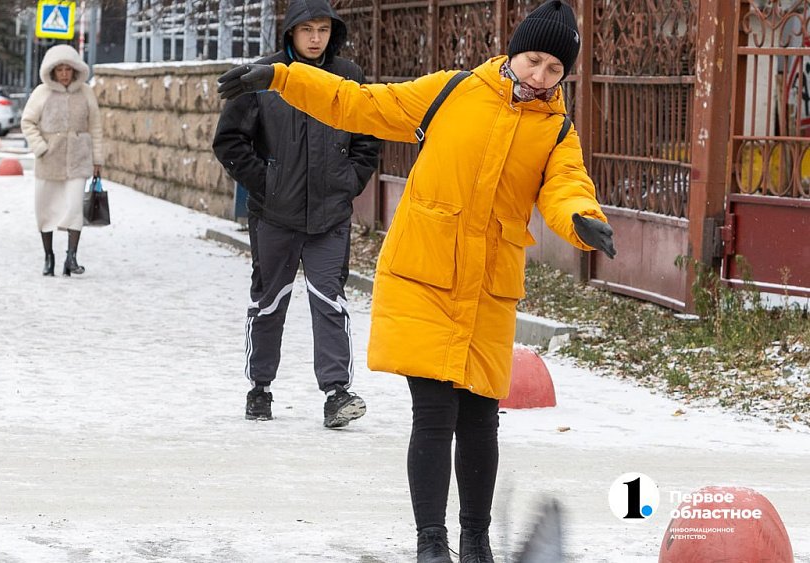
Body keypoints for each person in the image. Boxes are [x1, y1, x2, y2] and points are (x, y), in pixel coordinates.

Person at [217, 1, 616, 561]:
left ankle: (477, 540)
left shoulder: (558, 131)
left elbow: (565, 186)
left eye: (555, 70)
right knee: (433, 413)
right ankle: (433, 542)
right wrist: (282, 76)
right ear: (512, 52)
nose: (540, 78)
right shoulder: (452, 91)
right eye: (533, 61)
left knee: (480, 418)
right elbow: (358, 103)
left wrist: (581, 219)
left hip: (487, 288)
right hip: (424, 275)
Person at [212, 0, 380, 429]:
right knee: (270, 303)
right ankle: (260, 386)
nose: (315, 38)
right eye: (307, 30)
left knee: (330, 299)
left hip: (329, 214)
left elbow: (369, 136)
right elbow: (229, 141)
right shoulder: (261, 78)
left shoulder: (349, 77)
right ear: (291, 33)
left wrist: (348, 182)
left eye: (323, 30)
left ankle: (337, 393)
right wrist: (265, 182)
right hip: (275, 214)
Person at [21, 44, 103, 277]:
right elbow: (27, 122)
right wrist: (40, 147)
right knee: (45, 210)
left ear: (76, 70)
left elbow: (95, 127)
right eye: (60, 70)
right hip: (49, 160)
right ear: (53, 71)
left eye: (68, 69)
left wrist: (97, 159)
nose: (65, 74)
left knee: (75, 207)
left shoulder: (86, 92)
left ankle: (72, 257)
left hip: (78, 158)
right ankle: (49, 256)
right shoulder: (42, 93)